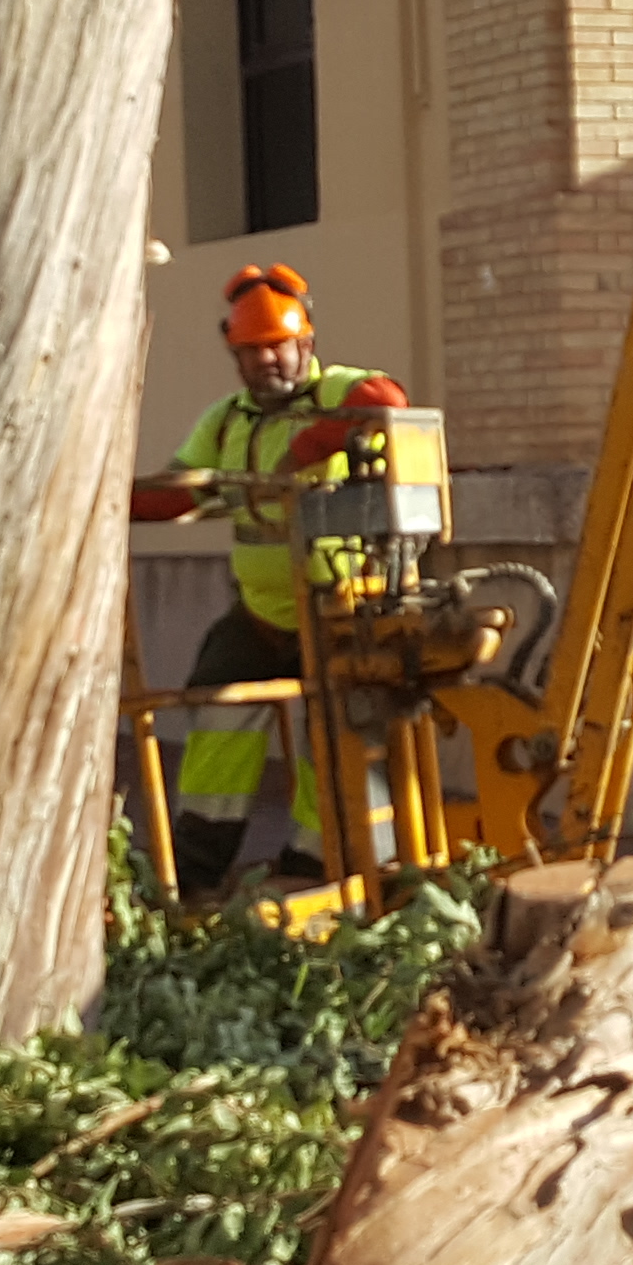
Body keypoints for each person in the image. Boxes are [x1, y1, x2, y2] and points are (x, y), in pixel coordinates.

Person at [126, 263, 405, 881]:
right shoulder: (227, 419)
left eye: (278, 347)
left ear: (306, 342)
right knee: (217, 706)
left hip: (340, 611)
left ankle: (316, 862)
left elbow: (386, 400)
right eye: (251, 352)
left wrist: (306, 449)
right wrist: (110, 503)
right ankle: (195, 867)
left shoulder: (336, 390)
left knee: (335, 738)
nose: (267, 362)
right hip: (260, 615)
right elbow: (180, 493)